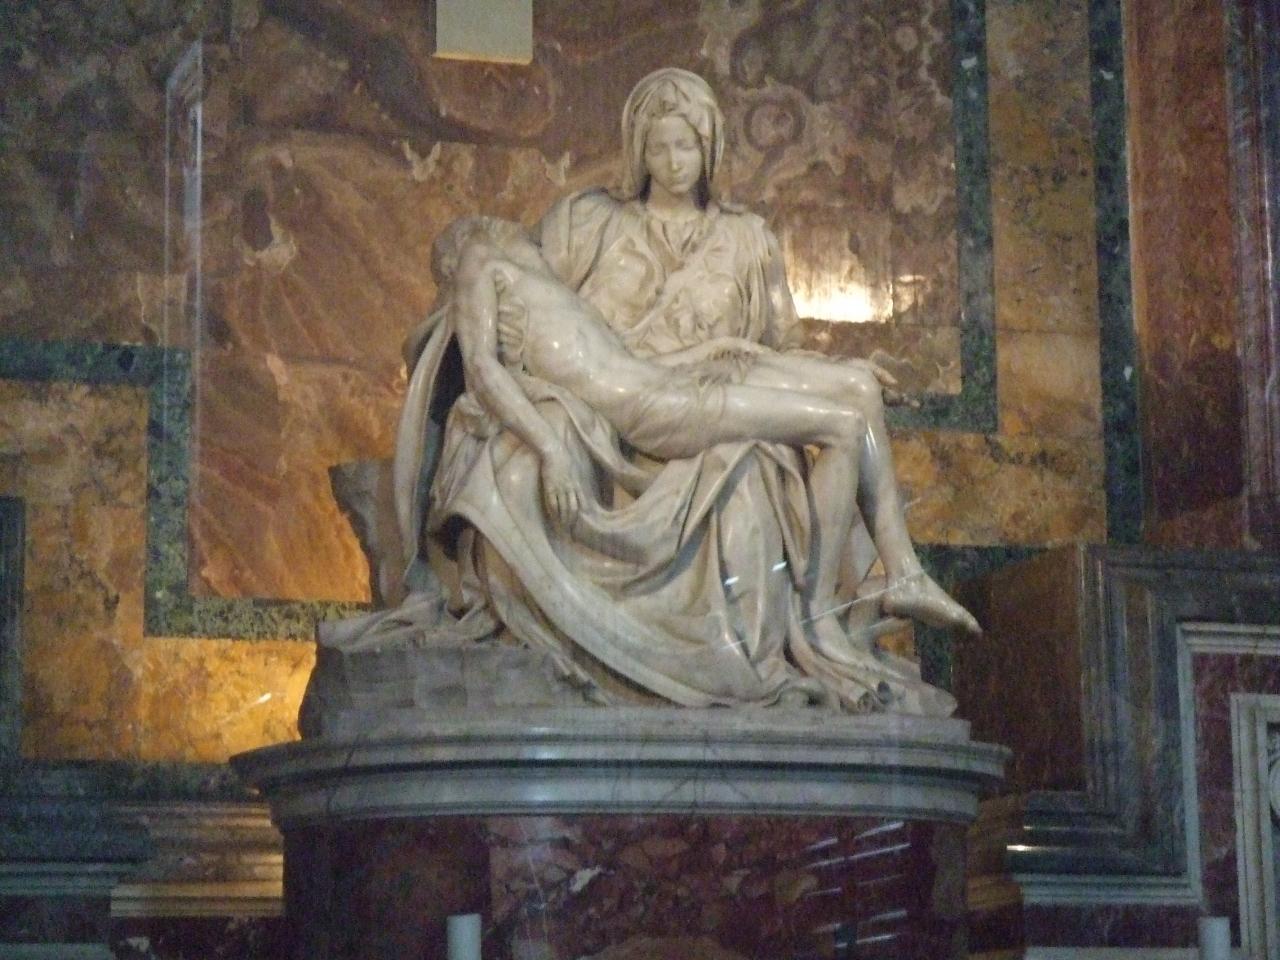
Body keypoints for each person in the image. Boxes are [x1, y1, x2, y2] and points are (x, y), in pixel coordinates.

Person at [385, 68, 973, 716]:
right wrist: (544, 432)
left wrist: (756, 352)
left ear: (709, 147)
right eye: (659, 146)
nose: (672, 162)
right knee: (810, 438)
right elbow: (486, 340)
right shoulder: (577, 225)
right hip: (640, 409)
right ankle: (822, 621)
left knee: (856, 386)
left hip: (695, 377)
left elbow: (776, 341)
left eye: (686, 145)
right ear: (638, 149)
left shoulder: (747, 237)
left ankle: (901, 575)